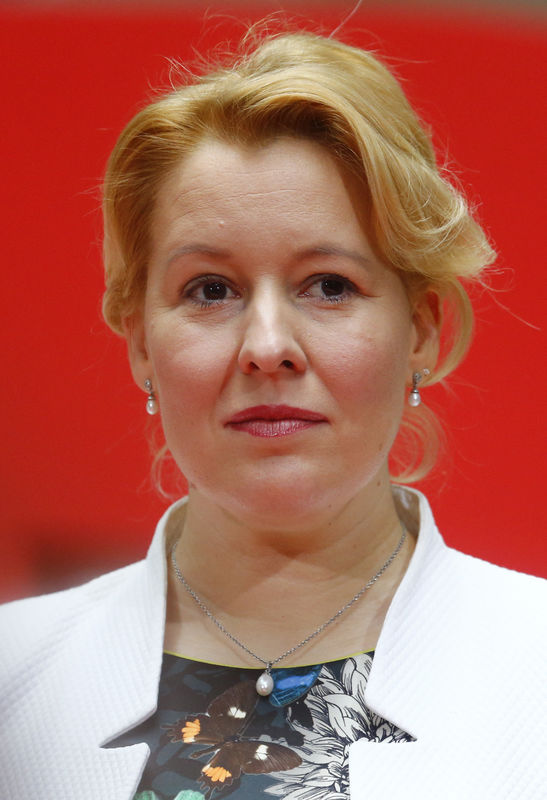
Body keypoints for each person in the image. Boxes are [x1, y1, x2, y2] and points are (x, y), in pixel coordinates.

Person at [1, 28, 545, 800]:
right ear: (140, 345)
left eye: (327, 285)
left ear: (419, 329)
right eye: (210, 290)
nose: (266, 347)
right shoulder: (11, 682)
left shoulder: (537, 669)